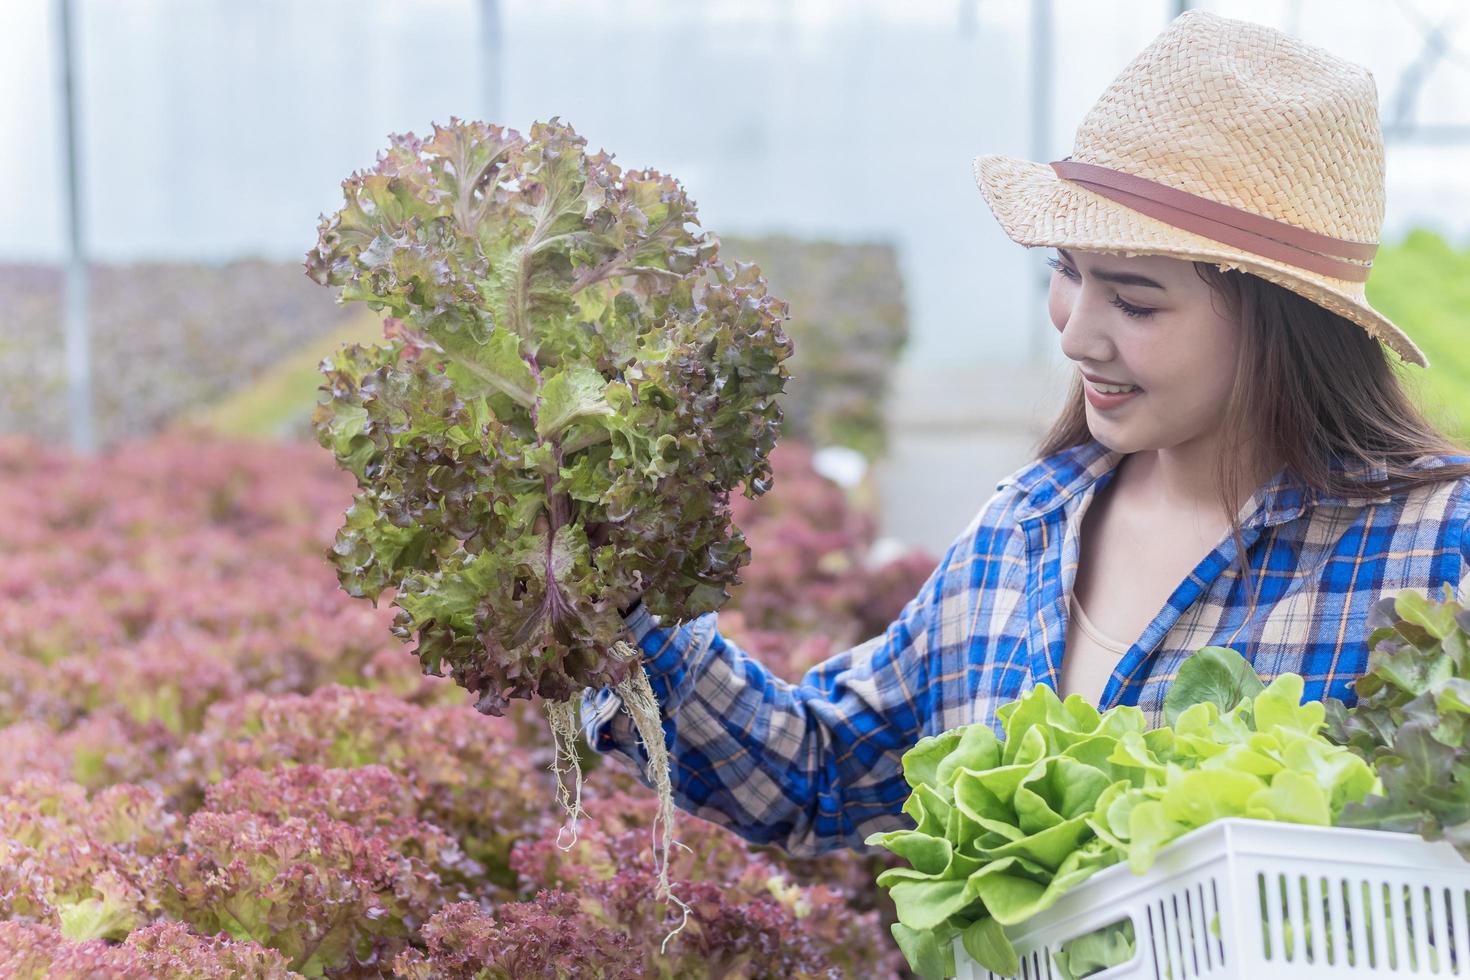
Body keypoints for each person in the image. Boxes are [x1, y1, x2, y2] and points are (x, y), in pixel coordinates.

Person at [582, 9, 1470, 857]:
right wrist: (614, 613)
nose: (1076, 332)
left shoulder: (1434, 552)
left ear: (1284, 323)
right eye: (1066, 273)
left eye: (1134, 299)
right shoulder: (1024, 532)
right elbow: (820, 773)